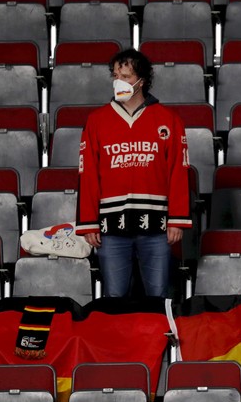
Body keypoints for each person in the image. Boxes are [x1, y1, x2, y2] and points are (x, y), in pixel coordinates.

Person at [76, 49, 191, 298]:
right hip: (111, 226)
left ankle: (159, 338)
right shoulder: (97, 121)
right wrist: (89, 222)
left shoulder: (168, 119)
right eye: (115, 75)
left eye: (126, 76)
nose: (118, 81)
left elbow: (179, 172)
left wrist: (177, 219)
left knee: (158, 297)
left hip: (157, 226)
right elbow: (87, 175)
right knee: (115, 298)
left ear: (142, 80)